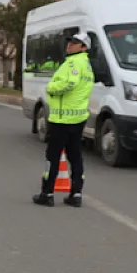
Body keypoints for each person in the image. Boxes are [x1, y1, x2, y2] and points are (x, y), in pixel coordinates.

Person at [33, 32, 95, 208]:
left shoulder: (73, 63)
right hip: (77, 117)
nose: (70, 45)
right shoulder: (86, 65)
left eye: (75, 43)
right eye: (70, 42)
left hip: (62, 118)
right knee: (75, 156)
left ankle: (47, 193)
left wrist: (51, 88)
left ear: (84, 47)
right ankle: (76, 194)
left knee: (52, 157)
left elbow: (70, 83)